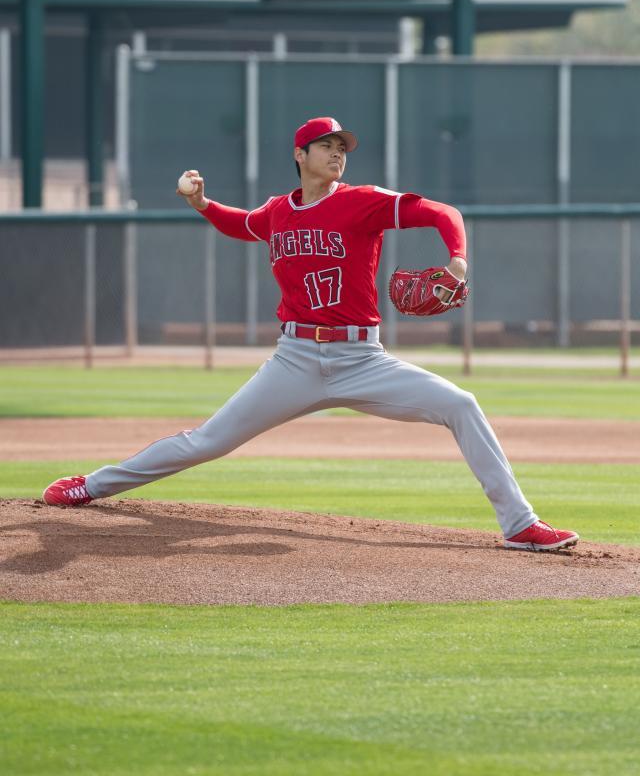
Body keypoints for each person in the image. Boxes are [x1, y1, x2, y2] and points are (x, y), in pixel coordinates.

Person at [43, 116, 579, 552]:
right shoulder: (279, 211)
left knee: (461, 404)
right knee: (208, 441)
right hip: (295, 360)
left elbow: (442, 211)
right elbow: (241, 223)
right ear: (300, 155)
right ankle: (90, 485)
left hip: (363, 359)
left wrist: (458, 259)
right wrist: (202, 204)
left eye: (341, 147)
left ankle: (519, 526)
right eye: (325, 146)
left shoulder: (361, 200)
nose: (337, 154)